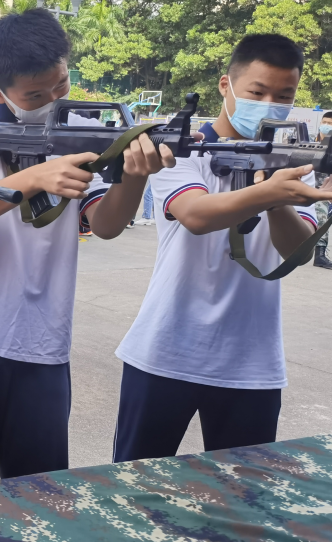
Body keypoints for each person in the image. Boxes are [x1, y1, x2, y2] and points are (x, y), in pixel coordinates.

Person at [0, 9, 174, 490]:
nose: (54, 100)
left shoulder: (84, 120)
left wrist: (133, 178)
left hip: (42, 344)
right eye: (36, 95)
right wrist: (32, 177)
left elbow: (107, 224)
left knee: (43, 499)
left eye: (61, 85)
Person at [113, 34, 325, 461]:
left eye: (284, 95)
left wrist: (277, 191)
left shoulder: (292, 156)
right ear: (226, 86)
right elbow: (196, 215)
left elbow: (297, 251)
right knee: (133, 493)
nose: (270, 105)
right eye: (257, 92)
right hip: (165, 353)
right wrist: (268, 192)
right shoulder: (185, 147)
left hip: (252, 366)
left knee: (245, 507)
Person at [315, 112, 332, 269]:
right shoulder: (309, 143)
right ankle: (319, 255)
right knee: (322, 218)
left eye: (330, 123)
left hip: (327, 189)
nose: (326, 126)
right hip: (311, 189)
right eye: (324, 122)